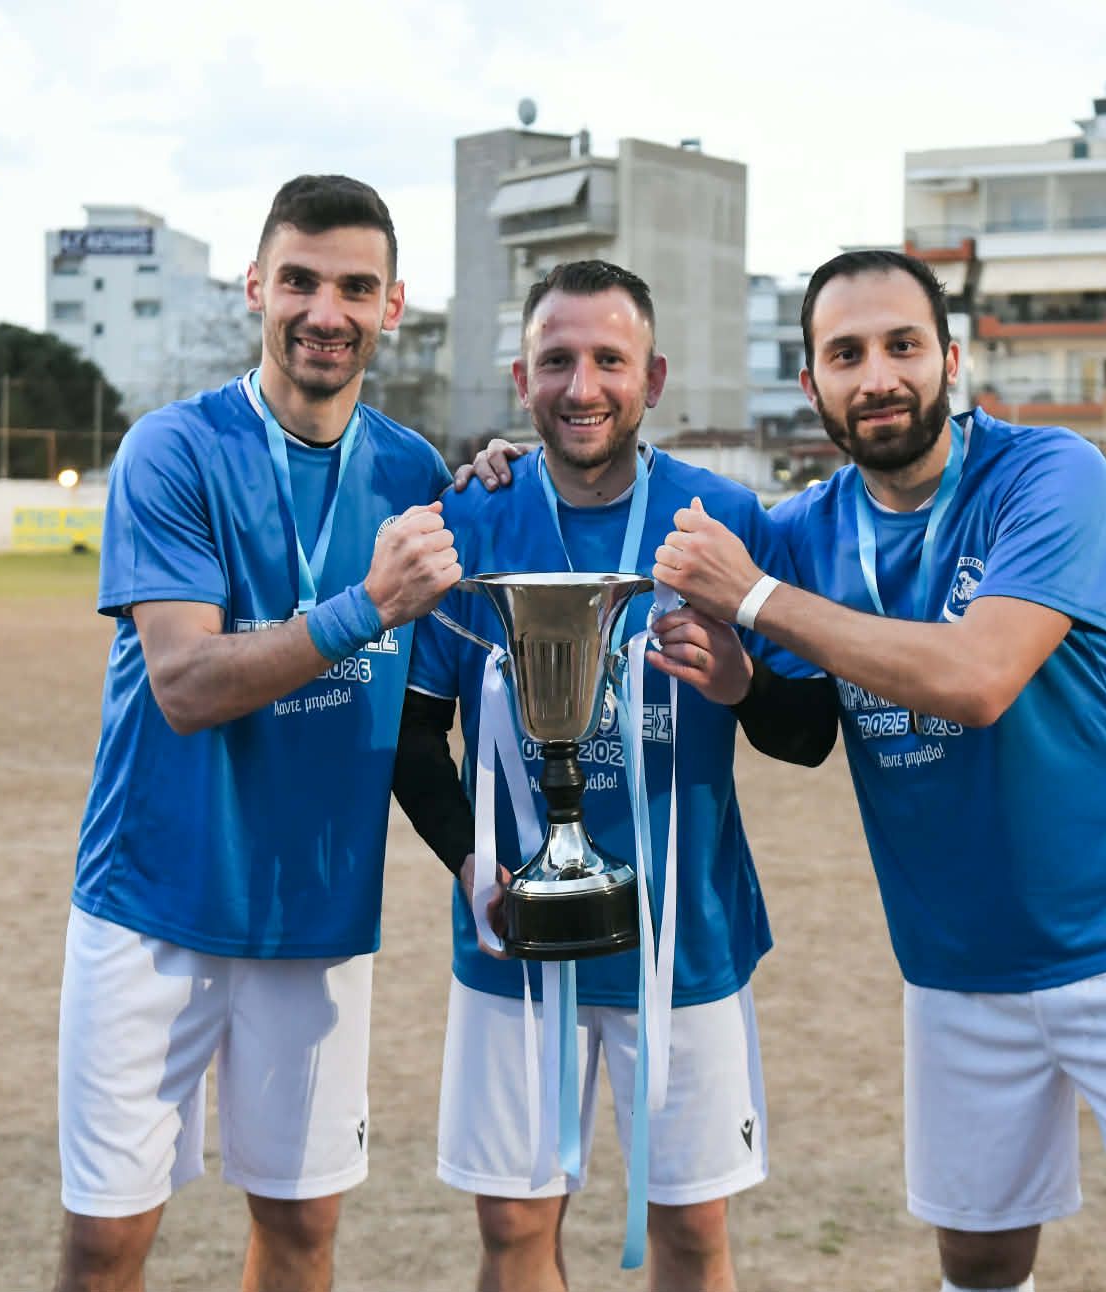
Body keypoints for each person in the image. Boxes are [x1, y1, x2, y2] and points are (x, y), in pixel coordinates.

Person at [649, 249, 1106, 1292]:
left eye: (900, 345)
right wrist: (521, 461)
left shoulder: (1048, 473)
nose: (875, 374)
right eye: (845, 353)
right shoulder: (800, 530)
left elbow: (976, 678)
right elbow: (793, 716)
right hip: (955, 968)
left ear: (949, 359)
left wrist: (756, 600)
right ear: (811, 385)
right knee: (974, 1271)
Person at [394, 260, 835, 1292]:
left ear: (653, 376)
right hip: (513, 938)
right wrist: (474, 865)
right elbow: (417, 740)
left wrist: (737, 681)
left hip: (684, 941)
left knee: (690, 1238)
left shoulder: (722, 516)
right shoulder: (472, 518)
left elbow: (806, 729)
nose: (581, 385)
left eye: (607, 359)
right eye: (556, 360)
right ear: (520, 377)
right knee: (511, 1231)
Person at [55, 174, 460, 1292]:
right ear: (254, 287)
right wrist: (360, 607)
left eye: (354, 286)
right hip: (153, 907)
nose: (324, 309)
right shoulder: (171, 449)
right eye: (299, 279)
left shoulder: (413, 474)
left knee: (299, 1234)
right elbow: (183, 681)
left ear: (393, 305)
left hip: (313, 918)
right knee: (104, 1241)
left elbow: (435, 707)